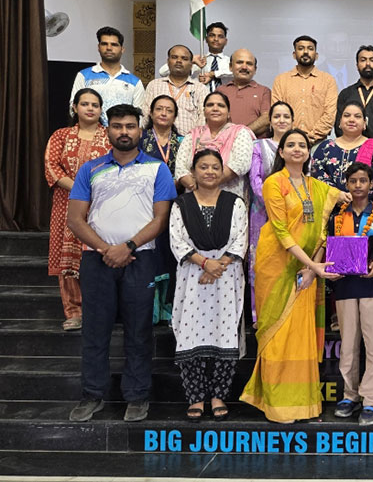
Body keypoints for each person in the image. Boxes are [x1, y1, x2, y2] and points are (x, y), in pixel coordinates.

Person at [66, 104, 176, 423]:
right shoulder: (90, 169)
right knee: (95, 330)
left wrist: (128, 246)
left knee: (139, 330)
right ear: (108, 131)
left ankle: (137, 396)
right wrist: (106, 249)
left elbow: (161, 218)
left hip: (141, 258)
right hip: (96, 259)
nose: (124, 132)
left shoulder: (157, 169)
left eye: (130, 126)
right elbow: (75, 219)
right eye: (117, 126)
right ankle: (92, 395)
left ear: (140, 130)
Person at [240, 129, 350, 423]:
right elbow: (280, 231)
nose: (297, 149)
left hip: (307, 269)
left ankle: (303, 405)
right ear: (281, 152)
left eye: (302, 145)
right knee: (278, 335)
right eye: (291, 145)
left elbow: (332, 213)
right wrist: (314, 266)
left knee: (301, 336)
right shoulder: (273, 183)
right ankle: (277, 405)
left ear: (308, 152)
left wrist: (313, 268)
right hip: (277, 267)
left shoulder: (317, 186)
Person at [169, 149, 247, 421]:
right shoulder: (181, 204)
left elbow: (240, 239)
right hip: (192, 276)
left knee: (225, 332)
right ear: (193, 171)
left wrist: (217, 266)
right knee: (190, 331)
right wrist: (204, 263)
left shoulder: (235, 203)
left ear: (222, 171)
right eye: (204, 167)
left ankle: (218, 396)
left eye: (215, 167)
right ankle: (195, 397)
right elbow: (177, 240)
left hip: (227, 277)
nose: (210, 172)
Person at [45, 88, 112, 331]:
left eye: (95, 104)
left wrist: (94, 190)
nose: (90, 108)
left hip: (102, 203)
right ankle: (73, 312)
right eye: (85, 104)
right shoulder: (61, 136)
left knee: (98, 253)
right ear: (75, 107)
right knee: (68, 257)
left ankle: (98, 311)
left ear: (101, 109)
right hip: (67, 203)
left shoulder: (110, 137)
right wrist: (79, 189)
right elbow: (51, 167)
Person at [327, 162, 373, 426]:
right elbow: (330, 247)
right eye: (353, 181)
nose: (358, 185)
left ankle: (371, 399)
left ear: (371, 184)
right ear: (347, 184)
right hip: (345, 287)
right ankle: (349, 395)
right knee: (348, 344)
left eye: (363, 180)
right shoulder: (337, 217)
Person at [139, 95, 183, 325]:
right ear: (151, 113)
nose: (164, 113)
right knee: (149, 253)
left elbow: (188, 170)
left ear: (175, 116)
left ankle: (168, 309)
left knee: (169, 253)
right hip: (145, 204)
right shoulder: (140, 139)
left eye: (169, 110)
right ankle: (150, 309)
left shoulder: (183, 142)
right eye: (159, 109)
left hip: (176, 204)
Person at [248, 101, 295, 321]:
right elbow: (255, 179)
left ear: (293, 121)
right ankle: (260, 315)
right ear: (270, 121)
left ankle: (287, 313)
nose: (281, 120)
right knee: (262, 260)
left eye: (286, 116)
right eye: (277, 116)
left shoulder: (298, 145)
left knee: (289, 258)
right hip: (262, 211)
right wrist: (274, 203)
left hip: (292, 213)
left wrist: (289, 206)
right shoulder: (259, 146)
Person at [175, 92, 254, 200]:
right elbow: (180, 167)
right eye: (210, 105)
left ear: (229, 113)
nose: (215, 108)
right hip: (194, 196)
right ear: (204, 112)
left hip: (229, 197)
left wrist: (207, 183)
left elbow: (241, 164)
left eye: (221, 105)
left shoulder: (240, 132)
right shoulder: (193, 135)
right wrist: (195, 186)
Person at [311, 101, 373, 202]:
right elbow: (317, 174)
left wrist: (355, 197)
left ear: (365, 124)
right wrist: (337, 195)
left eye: (357, 116)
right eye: (347, 115)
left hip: (364, 207)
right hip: (330, 206)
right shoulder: (325, 147)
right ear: (339, 122)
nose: (351, 120)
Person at [69, 26, 145, 126]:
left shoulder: (135, 82)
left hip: (122, 134)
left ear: (122, 49)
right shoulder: (84, 76)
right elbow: (73, 108)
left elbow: (140, 116)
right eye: (104, 44)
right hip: (91, 133)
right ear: (98, 47)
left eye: (114, 44)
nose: (109, 48)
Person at [271, 35, 338, 145]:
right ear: (294, 55)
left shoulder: (328, 80)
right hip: (287, 142)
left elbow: (330, 114)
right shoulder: (281, 80)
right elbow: (277, 113)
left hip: (317, 143)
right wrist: (294, 137)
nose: (306, 52)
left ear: (316, 55)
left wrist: (311, 136)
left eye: (310, 49)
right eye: (301, 48)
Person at [335, 45, 373, 150]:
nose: (368, 63)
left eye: (372, 60)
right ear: (357, 65)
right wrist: (349, 147)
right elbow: (339, 125)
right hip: (349, 150)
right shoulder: (346, 94)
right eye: (363, 60)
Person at [143, 45, 210, 136]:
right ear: (168, 61)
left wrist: (192, 139)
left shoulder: (200, 89)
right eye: (174, 57)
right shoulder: (154, 85)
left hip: (189, 140)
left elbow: (204, 117)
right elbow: (146, 115)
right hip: (157, 139)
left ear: (191, 64)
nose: (179, 61)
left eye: (184, 58)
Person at [158, 22, 232, 91]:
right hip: (199, 98)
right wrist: (191, 60)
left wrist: (212, 74)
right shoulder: (197, 61)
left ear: (226, 41)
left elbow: (235, 72)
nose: (216, 39)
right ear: (206, 39)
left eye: (220, 36)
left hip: (226, 99)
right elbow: (163, 72)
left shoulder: (230, 62)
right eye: (212, 35)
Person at [216, 49, 272, 136]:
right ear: (230, 66)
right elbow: (214, 119)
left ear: (255, 69)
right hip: (223, 141)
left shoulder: (264, 91)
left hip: (255, 143)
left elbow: (266, 119)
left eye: (249, 64)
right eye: (239, 62)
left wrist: (240, 135)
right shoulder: (220, 91)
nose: (244, 67)